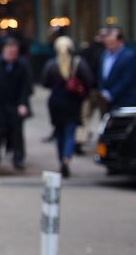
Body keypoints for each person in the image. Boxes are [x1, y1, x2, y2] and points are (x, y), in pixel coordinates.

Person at [41, 36, 95, 177]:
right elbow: (89, 80)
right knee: (69, 132)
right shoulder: (78, 63)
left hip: (56, 101)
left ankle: (61, 160)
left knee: (59, 133)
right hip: (72, 101)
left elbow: (45, 82)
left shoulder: (52, 64)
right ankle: (66, 158)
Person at [0, 38, 33, 169]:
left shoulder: (22, 65)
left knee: (17, 131)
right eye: (9, 52)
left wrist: (23, 104)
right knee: (0, 130)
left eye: (14, 52)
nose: (11, 55)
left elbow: (26, 86)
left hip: (15, 103)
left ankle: (18, 158)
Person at [98, 26, 136, 109]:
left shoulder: (129, 56)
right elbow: (100, 76)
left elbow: (126, 80)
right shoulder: (104, 55)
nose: (109, 45)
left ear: (120, 41)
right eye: (107, 42)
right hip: (107, 102)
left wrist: (111, 94)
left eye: (111, 42)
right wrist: (102, 92)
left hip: (125, 101)